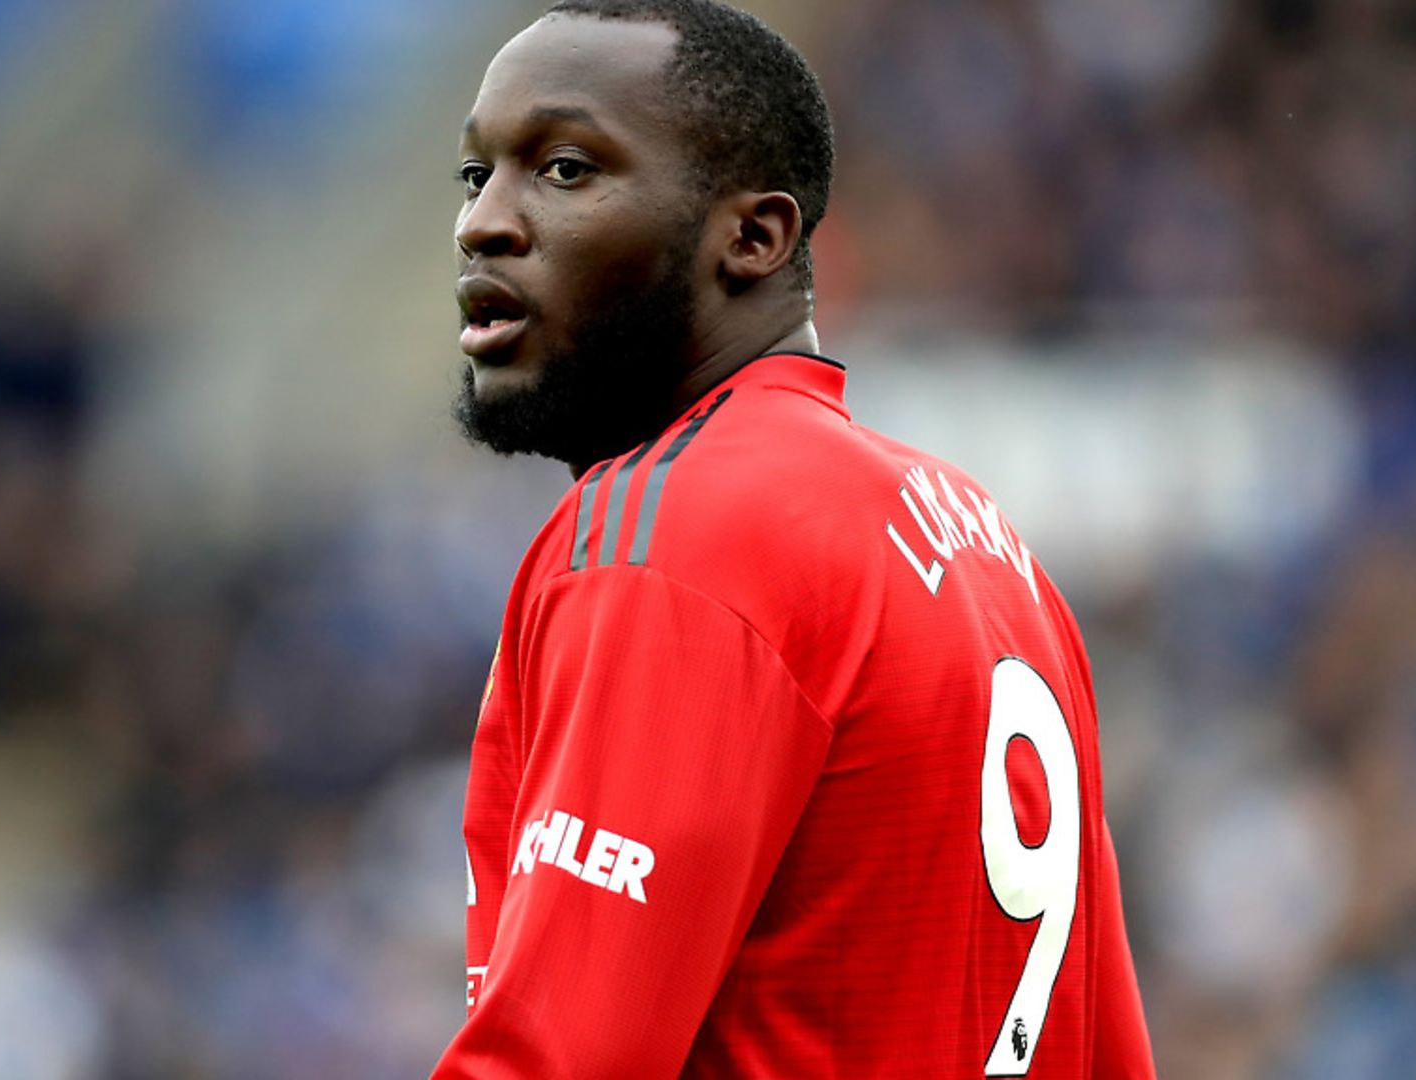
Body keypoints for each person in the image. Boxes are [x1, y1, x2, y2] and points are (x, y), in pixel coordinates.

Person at [434, 1, 1157, 1075]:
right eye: (477, 174)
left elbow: (560, 1061)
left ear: (755, 238)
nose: (484, 222)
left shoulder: (673, 533)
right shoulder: (991, 553)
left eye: (568, 168)